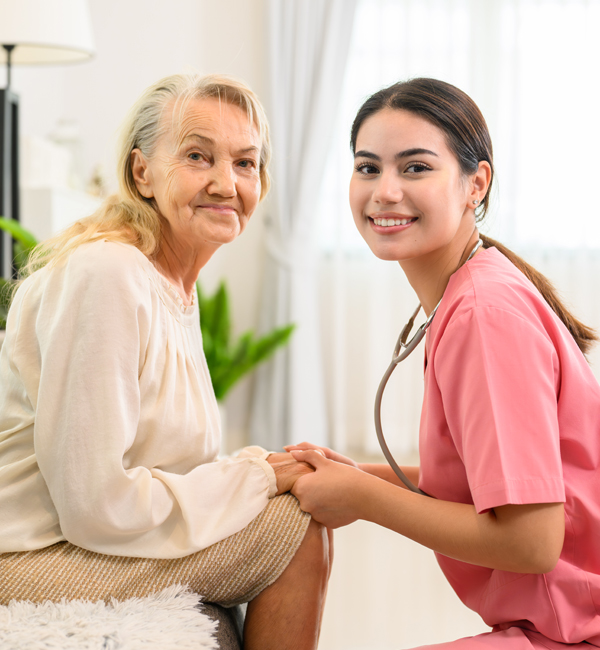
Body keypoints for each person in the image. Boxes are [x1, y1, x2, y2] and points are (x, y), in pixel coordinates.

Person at [0, 73, 331, 650]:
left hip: (73, 542)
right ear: (141, 173)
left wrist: (260, 468)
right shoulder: (107, 274)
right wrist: (254, 477)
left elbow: (163, 462)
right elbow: (94, 504)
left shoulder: (171, 281)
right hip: (23, 555)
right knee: (294, 531)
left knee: (292, 508)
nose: (227, 183)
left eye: (246, 164)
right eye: (198, 157)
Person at [287, 77, 600, 650]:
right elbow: (486, 486)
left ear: (474, 183)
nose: (383, 191)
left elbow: (531, 542)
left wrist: (362, 499)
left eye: (414, 168)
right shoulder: (473, 293)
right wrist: (356, 476)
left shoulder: (485, 314)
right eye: (367, 168)